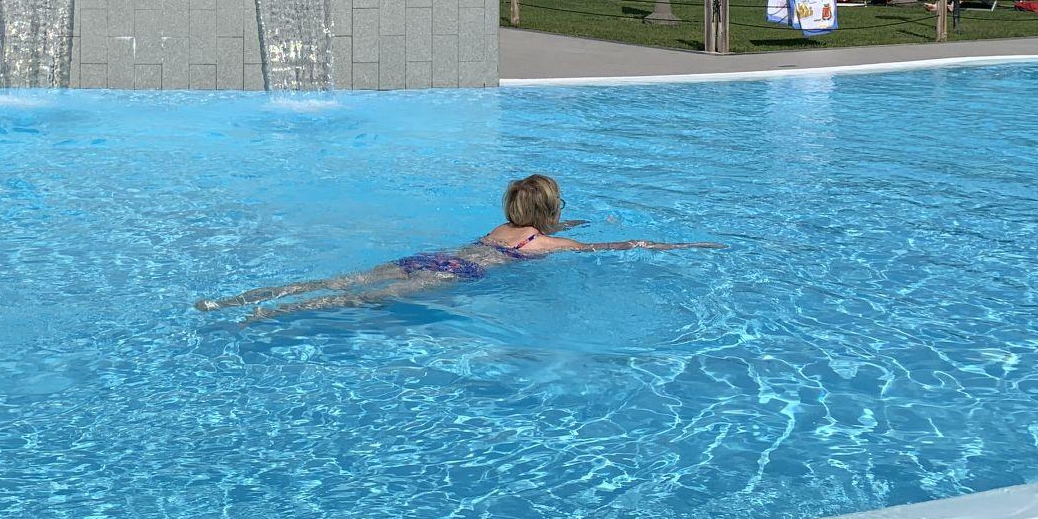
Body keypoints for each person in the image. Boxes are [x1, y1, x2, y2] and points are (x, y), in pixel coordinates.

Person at [196, 173, 719, 322]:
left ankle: (242, 300)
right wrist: (672, 244)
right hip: (453, 277)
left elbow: (538, 223)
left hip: (430, 258)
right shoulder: (546, 244)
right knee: (361, 300)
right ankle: (270, 316)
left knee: (342, 281)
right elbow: (611, 246)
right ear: (550, 214)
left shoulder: (502, 228)